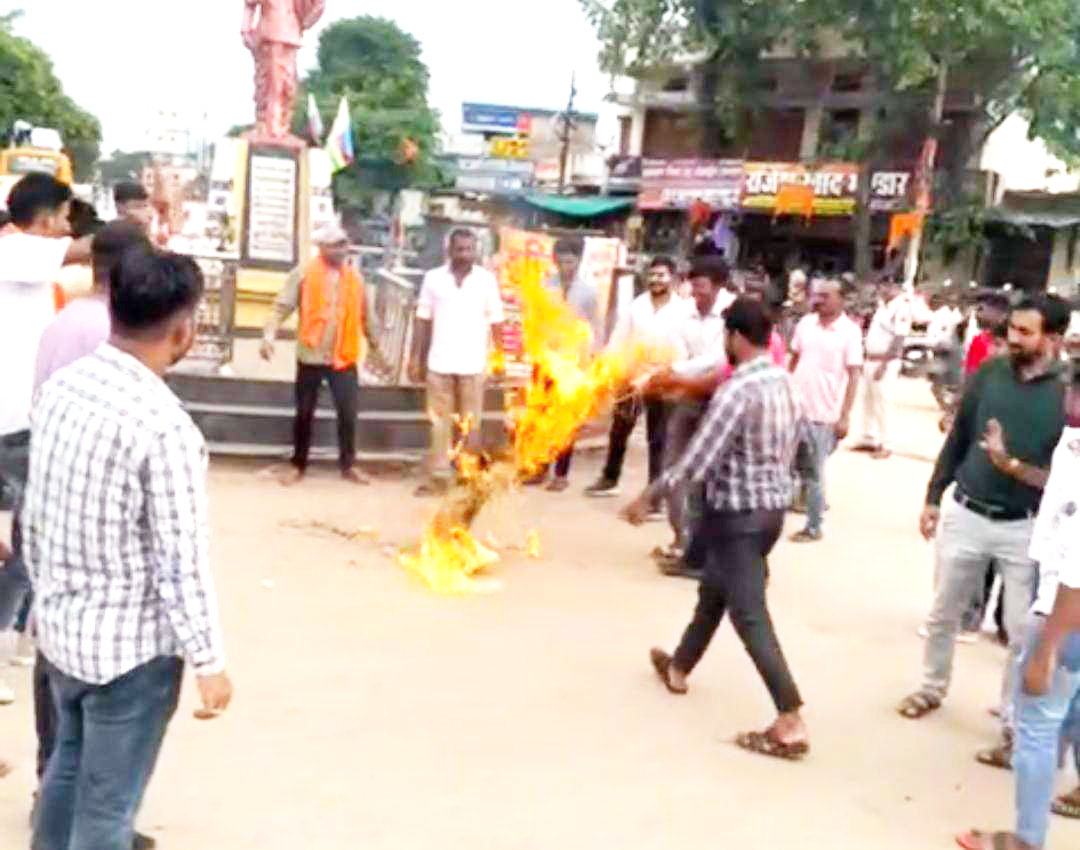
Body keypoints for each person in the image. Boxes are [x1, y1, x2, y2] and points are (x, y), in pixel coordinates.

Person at [25, 247, 233, 850]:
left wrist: (48, 602)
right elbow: (181, 561)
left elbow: (38, 509)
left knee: (66, 764)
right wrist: (210, 661)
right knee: (108, 810)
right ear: (184, 331)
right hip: (131, 657)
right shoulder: (165, 429)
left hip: (63, 635)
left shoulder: (63, 388)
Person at [623, 297, 808, 760]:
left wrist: (651, 495)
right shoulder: (784, 381)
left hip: (738, 516)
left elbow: (698, 460)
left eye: (726, 337)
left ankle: (790, 719)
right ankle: (679, 667)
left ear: (736, 338)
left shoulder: (737, 390)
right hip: (769, 512)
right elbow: (795, 446)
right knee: (714, 591)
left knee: (748, 612)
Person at [899, 296, 1069, 761]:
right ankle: (931, 688)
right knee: (942, 612)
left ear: (1052, 338)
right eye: (1012, 328)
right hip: (967, 512)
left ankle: (1014, 725)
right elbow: (958, 437)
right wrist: (934, 497)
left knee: (1020, 633)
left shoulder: (1067, 394)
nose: (1013, 338)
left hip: (1024, 529)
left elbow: (1063, 478)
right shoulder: (989, 374)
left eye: (1025, 332)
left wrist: (1008, 464)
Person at [956, 383, 1080, 850]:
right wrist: (1006, 461)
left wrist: (1045, 648)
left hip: (1065, 614)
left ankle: (1027, 840)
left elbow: (1076, 571)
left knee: (1037, 725)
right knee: (1070, 713)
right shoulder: (1071, 447)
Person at [0, 174, 91, 705]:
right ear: (41, 218)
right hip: (13, 424)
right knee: (30, 540)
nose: (66, 229)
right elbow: (84, 249)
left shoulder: (27, 262)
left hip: (24, 418)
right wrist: (128, 233)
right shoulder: (16, 251)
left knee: (29, 540)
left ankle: (18, 637)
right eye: (61, 217)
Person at [261, 223, 371, 486]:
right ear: (321, 248)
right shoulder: (304, 273)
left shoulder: (355, 278)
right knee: (304, 412)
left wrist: (376, 347)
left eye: (344, 244)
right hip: (311, 354)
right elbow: (281, 307)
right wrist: (269, 335)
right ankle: (298, 464)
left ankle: (348, 465)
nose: (342, 250)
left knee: (348, 412)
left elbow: (368, 317)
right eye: (336, 245)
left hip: (343, 356)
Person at [646, 258, 734, 574]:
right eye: (692, 285)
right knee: (673, 464)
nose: (694, 292)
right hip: (688, 396)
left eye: (700, 285)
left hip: (718, 399)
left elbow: (718, 360)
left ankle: (703, 548)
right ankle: (682, 539)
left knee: (705, 475)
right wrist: (669, 373)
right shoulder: (686, 312)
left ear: (718, 285)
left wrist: (676, 374)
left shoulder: (731, 314)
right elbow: (679, 349)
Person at [408, 228, 505, 496]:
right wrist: (416, 357)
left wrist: (500, 358)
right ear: (449, 250)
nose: (464, 254)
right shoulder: (433, 279)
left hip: (473, 366)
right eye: (459, 249)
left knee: (470, 425)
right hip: (439, 364)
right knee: (439, 425)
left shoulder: (486, 281)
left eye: (469, 249)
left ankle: (466, 475)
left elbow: (497, 320)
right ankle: (438, 479)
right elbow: (422, 319)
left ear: (476, 251)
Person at [584, 256, 690, 499]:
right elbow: (618, 340)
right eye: (652, 275)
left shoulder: (683, 310)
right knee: (619, 431)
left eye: (661, 275)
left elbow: (686, 347)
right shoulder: (636, 307)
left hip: (664, 380)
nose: (655, 280)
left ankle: (654, 494)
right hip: (632, 378)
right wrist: (607, 369)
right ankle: (610, 479)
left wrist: (679, 377)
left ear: (672, 279)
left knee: (658, 438)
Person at [787, 278, 863, 542]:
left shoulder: (850, 332)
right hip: (794, 409)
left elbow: (854, 375)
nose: (818, 300)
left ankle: (813, 526)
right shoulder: (805, 324)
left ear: (841, 299)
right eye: (817, 295)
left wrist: (845, 416)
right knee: (785, 465)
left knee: (814, 473)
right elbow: (794, 360)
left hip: (824, 415)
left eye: (826, 296)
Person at [525, 236, 601, 492]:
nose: (566, 265)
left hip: (572, 362)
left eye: (571, 261)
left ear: (578, 261)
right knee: (540, 414)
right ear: (555, 261)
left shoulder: (588, 292)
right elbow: (535, 319)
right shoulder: (546, 286)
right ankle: (539, 468)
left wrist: (591, 360)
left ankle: (561, 473)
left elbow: (594, 327)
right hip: (546, 357)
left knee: (566, 419)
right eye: (562, 261)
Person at [852, 278, 912, 458]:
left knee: (882, 403)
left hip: (885, 361)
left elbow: (899, 338)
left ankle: (886, 444)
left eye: (887, 286)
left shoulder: (901, 307)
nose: (883, 289)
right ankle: (868, 437)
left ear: (896, 288)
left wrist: (884, 365)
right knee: (868, 400)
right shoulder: (883, 307)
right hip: (871, 359)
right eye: (882, 285)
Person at [966, 289, 1011, 376]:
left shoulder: (1015, 341)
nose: (976, 315)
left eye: (980, 309)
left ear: (996, 310)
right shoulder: (978, 340)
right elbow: (970, 374)